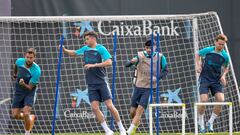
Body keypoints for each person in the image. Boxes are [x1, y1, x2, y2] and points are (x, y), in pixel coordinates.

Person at [60, 31, 126, 135]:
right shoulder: (85, 49)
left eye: (87, 39)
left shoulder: (101, 48)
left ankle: (122, 129)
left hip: (102, 82)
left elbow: (109, 62)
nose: (85, 41)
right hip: (91, 84)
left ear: (93, 39)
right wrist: (64, 50)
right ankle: (107, 131)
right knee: (95, 108)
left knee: (109, 105)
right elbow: (74, 53)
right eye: (85, 39)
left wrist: (93, 65)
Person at [125, 40, 168, 135]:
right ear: (145, 48)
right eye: (147, 48)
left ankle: (128, 132)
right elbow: (127, 65)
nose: (149, 50)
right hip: (138, 86)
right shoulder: (140, 55)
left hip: (150, 87)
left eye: (151, 48)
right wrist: (131, 62)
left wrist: (157, 78)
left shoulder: (161, 57)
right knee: (132, 112)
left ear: (155, 47)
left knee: (140, 109)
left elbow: (165, 70)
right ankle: (135, 124)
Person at [195, 34, 229, 133]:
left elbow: (226, 67)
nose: (221, 46)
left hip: (216, 81)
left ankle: (210, 122)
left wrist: (223, 76)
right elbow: (197, 54)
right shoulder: (208, 50)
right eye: (219, 44)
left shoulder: (225, 56)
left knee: (221, 100)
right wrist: (198, 64)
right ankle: (201, 122)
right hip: (205, 79)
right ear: (215, 42)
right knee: (204, 100)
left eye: (223, 45)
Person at [11, 48, 41, 135]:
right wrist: (15, 74)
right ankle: (30, 117)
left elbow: (29, 87)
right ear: (25, 56)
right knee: (14, 115)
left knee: (26, 112)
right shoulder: (19, 61)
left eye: (31, 58)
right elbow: (16, 66)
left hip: (29, 91)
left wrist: (23, 83)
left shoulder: (37, 70)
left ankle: (27, 133)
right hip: (19, 90)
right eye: (27, 57)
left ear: (34, 58)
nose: (29, 59)